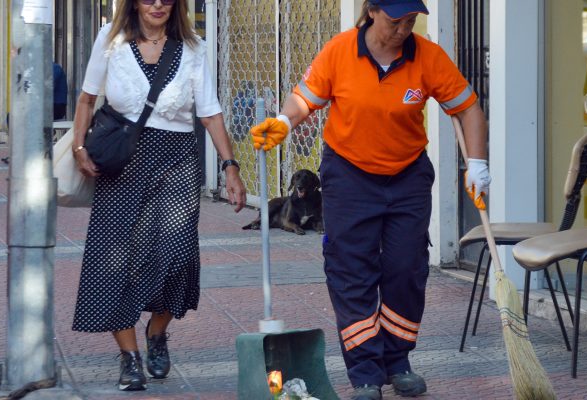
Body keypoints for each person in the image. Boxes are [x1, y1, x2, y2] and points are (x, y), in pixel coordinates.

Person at [250, 1, 490, 399]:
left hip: (407, 175)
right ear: (372, 12)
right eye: (396, 21)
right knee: (351, 269)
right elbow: (305, 99)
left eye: (411, 21)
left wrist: (477, 165)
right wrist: (284, 121)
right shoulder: (340, 51)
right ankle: (364, 372)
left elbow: (467, 109)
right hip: (349, 175)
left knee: (406, 268)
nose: (403, 30)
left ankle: (398, 363)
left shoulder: (427, 56)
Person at [70, 0, 246, 392]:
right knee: (113, 257)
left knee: (178, 256)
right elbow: (86, 98)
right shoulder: (110, 38)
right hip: (122, 160)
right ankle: (129, 357)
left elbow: (211, 112)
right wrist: (79, 148)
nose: (158, 4)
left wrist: (230, 166)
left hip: (177, 160)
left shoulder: (194, 47)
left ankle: (158, 332)